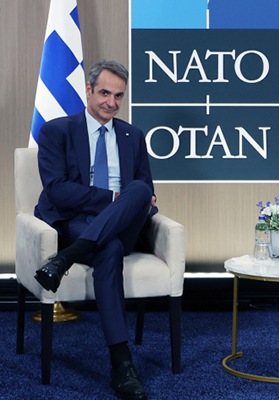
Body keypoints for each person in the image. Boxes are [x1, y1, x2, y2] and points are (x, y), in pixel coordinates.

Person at [34, 60, 157, 400]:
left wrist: (129, 201)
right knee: (110, 248)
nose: (111, 103)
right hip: (76, 221)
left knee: (139, 189)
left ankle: (65, 259)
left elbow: (145, 193)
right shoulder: (57, 131)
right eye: (104, 93)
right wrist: (114, 198)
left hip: (123, 224)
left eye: (118, 96)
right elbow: (57, 190)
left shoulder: (133, 136)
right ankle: (122, 364)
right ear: (88, 90)